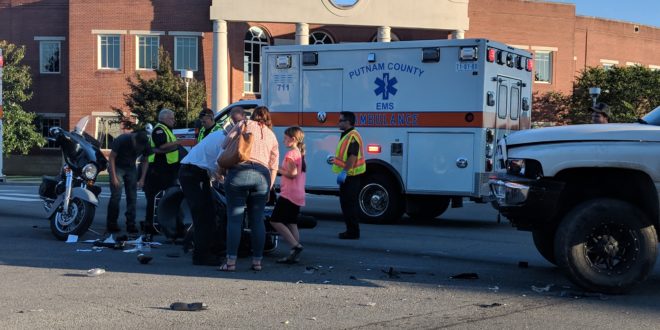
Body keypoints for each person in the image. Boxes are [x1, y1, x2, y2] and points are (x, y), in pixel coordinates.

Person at [217, 106, 279, 272]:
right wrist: (269, 189)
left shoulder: (244, 123)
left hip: (239, 173)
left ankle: (231, 262)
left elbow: (224, 144)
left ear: (253, 115)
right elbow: (274, 167)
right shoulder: (272, 136)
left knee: (235, 218)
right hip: (262, 177)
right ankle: (257, 262)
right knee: (257, 220)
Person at [179, 128, 226, 266]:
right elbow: (220, 166)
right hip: (194, 173)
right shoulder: (227, 140)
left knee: (208, 213)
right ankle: (201, 256)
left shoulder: (221, 134)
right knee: (203, 216)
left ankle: (207, 249)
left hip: (194, 172)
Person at [144, 108, 184, 234]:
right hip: (159, 170)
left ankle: (165, 224)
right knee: (155, 198)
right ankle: (150, 225)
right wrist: (177, 143)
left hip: (168, 169)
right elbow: (161, 146)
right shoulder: (159, 129)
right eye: (171, 118)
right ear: (164, 118)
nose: (174, 120)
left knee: (169, 197)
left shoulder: (167, 129)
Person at [270, 127, 307, 264]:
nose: (283, 140)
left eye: (285, 138)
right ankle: (294, 253)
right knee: (292, 222)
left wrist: (276, 168)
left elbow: (292, 173)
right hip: (298, 194)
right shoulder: (300, 154)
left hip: (289, 194)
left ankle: (295, 246)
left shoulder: (291, 154)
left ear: (293, 139)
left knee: (275, 220)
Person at [327, 111, 365, 240]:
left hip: (351, 176)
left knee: (349, 205)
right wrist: (335, 160)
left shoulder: (352, 136)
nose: (338, 123)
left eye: (340, 120)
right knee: (346, 204)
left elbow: (353, 156)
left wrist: (344, 172)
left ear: (348, 122)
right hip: (349, 175)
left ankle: (353, 232)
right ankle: (351, 230)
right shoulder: (347, 134)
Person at [106, 130, 150, 233]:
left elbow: (145, 160)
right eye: (137, 145)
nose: (138, 148)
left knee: (132, 197)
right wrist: (113, 177)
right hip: (117, 167)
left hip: (131, 168)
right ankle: (112, 224)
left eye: (141, 147)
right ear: (134, 139)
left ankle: (131, 224)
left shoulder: (146, 144)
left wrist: (142, 178)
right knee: (116, 196)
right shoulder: (122, 139)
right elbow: (111, 157)